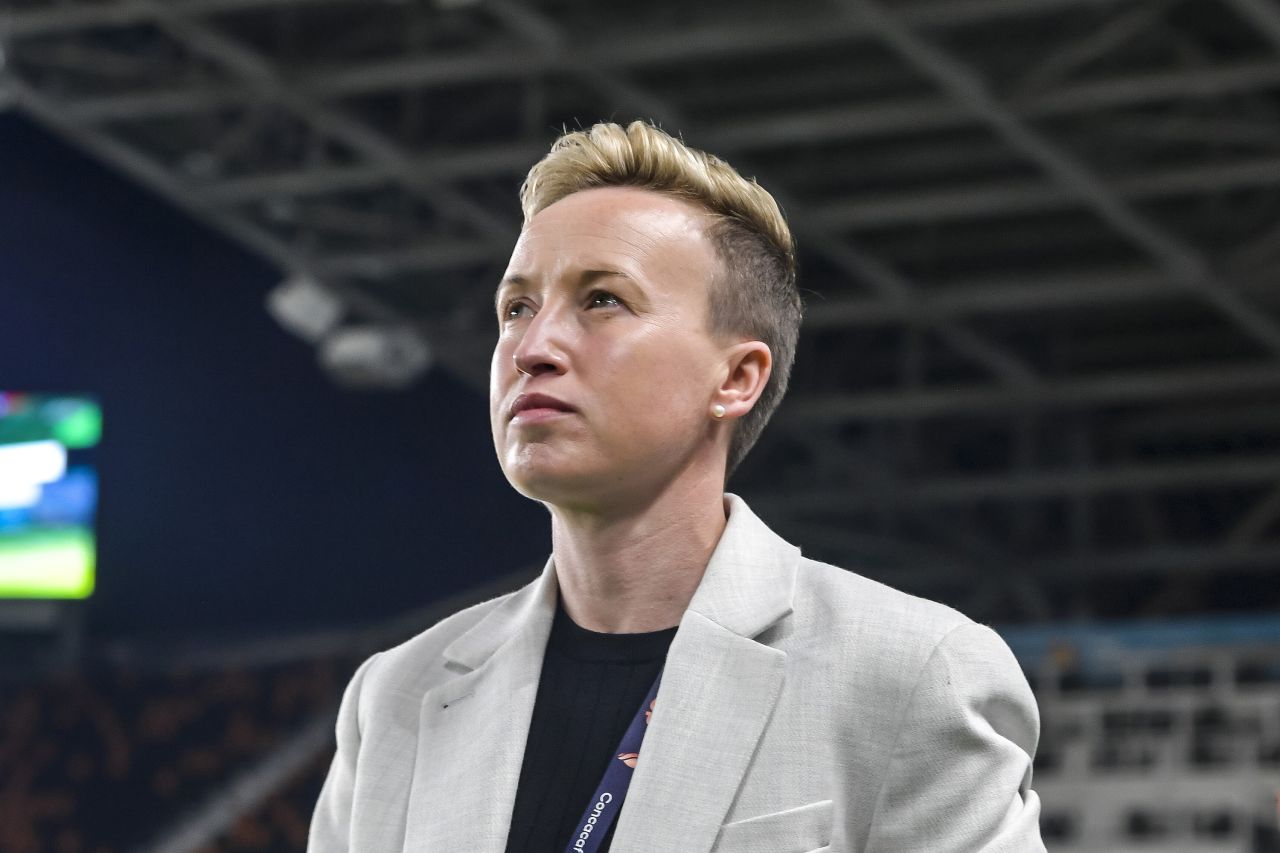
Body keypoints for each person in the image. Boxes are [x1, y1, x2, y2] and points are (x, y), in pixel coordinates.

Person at [308, 121, 1045, 852]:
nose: (532, 348)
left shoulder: (911, 675)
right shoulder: (394, 698)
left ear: (735, 378)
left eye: (601, 300)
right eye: (517, 308)